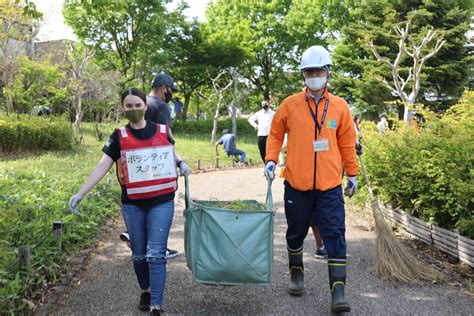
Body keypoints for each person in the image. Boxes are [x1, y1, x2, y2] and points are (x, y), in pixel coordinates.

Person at [68, 88, 190, 315]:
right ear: (123, 108)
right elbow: (102, 165)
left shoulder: (162, 130)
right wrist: (80, 193)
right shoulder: (118, 136)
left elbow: (170, 151)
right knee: (138, 254)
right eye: (129, 106)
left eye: (138, 105)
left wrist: (181, 163)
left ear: (146, 106)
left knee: (156, 254)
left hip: (161, 201)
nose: (134, 109)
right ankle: (145, 289)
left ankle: (156, 305)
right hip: (133, 204)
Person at [264, 45, 358, 313]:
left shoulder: (340, 107)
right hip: (297, 185)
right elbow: (274, 134)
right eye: (309, 72)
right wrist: (270, 160)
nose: (314, 75)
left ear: (328, 72)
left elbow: (348, 143)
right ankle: (296, 274)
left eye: (318, 70)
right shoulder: (290, 105)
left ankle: (338, 292)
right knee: (295, 233)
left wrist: (352, 174)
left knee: (336, 236)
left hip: (329, 187)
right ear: (303, 75)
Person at [120, 73, 180, 259]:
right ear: (164, 88)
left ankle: (136, 236)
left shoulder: (140, 101)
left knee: (139, 200)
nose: (170, 93)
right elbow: (165, 137)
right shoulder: (162, 106)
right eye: (170, 90)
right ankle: (158, 247)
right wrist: (177, 159)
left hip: (134, 163)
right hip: (155, 164)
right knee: (159, 205)